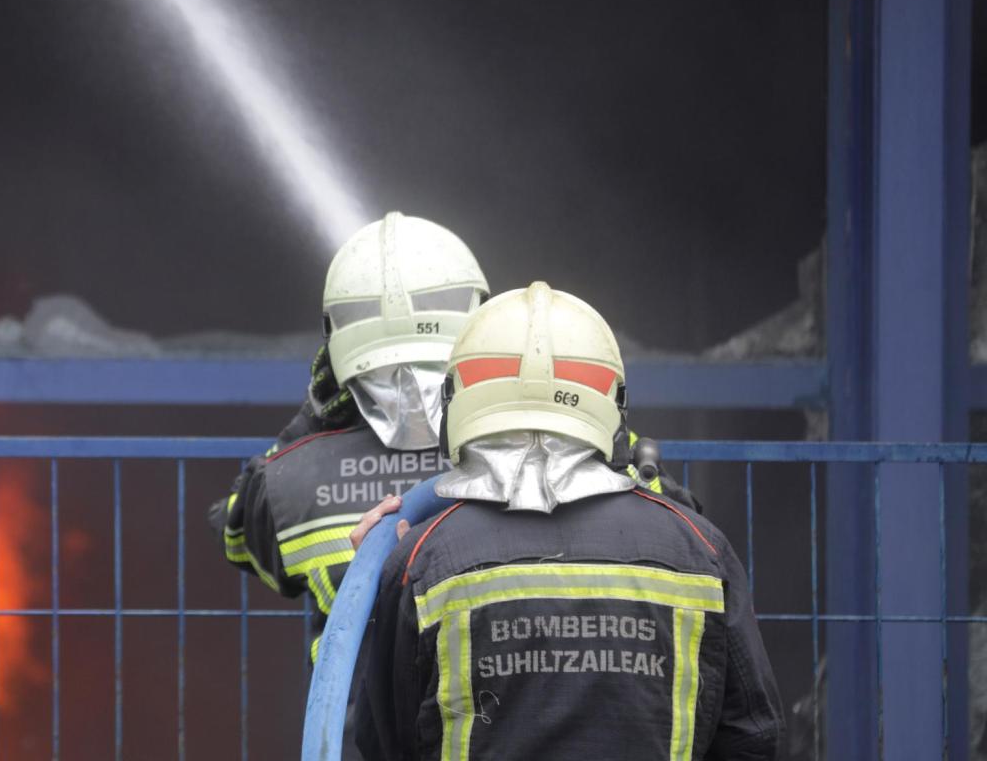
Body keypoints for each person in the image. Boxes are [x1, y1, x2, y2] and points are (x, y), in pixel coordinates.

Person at [211, 213, 694, 659]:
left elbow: (235, 530)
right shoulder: (557, 451)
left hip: (359, 719)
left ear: (336, 349)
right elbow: (680, 527)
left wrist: (315, 417)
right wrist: (603, 433)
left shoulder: (292, 481)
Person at [352, 282, 781, 760]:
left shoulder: (421, 559)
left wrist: (384, 576)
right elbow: (752, 737)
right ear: (612, 402)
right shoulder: (701, 549)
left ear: (457, 399)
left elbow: (379, 742)